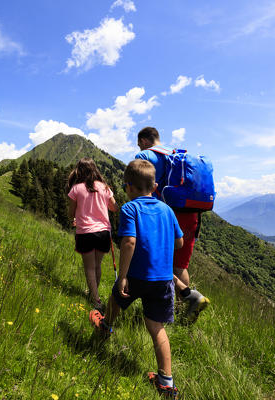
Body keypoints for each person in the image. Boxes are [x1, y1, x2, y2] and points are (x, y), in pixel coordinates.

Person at [90, 159, 182, 397]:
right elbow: (180, 242)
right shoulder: (167, 210)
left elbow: (129, 242)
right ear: (155, 187)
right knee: (156, 327)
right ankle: (166, 383)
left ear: (128, 187)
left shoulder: (130, 208)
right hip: (162, 280)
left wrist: (122, 276)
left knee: (116, 300)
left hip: (136, 275)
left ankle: (105, 326)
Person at [135, 126, 209, 322]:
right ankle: (184, 307)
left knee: (157, 259)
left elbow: (137, 182)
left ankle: (165, 310)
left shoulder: (145, 155)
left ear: (143, 141)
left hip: (166, 215)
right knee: (180, 265)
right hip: (191, 214)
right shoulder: (176, 155)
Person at [67, 158, 118, 312]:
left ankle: (96, 300)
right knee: (97, 265)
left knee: (89, 267)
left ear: (79, 171)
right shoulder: (104, 187)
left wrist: (74, 219)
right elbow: (115, 208)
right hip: (103, 232)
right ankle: (93, 293)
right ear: (95, 170)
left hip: (85, 232)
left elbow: (70, 212)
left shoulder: (76, 189)